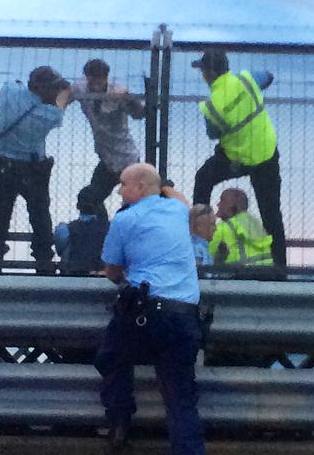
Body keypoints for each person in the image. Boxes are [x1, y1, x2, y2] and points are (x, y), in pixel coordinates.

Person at [94, 163, 205, 454]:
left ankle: (119, 422)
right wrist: (163, 187)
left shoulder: (125, 219)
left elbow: (112, 271)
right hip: (184, 317)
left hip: (144, 313)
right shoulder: (182, 212)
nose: (119, 189)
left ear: (140, 187)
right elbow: (177, 197)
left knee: (111, 355)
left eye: (124, 184)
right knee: (180, 398)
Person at [191, 48, 286, 272]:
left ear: (209, 73)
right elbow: (268, 76)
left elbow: (213, 134)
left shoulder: (212, 105)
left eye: (203, 71)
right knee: (271, 212)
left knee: (203, 178)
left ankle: (199, 242)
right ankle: (280, 269)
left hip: (238, 158)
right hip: (266, 153)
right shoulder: (245, 79)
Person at [0, 66, 71, 272]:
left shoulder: (10, 93)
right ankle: (43, 261)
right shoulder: (48, 115)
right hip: (33, 170)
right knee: (39, 215)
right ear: (42, 89)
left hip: (1, 165)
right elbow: (62, 103)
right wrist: (66, 91)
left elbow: (9, 85)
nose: (55, 92)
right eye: (53, 88)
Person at [71, 59, 145, 220]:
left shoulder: (116, 92)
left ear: (106, 78)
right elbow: (65, 93)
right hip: (106, 159)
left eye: (100, 79)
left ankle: (126, 232)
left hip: (127, 158)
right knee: (90, 198)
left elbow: (139, 114)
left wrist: (128, 98)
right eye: (92, 79)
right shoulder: (80, 88)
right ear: (87, 77)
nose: (96, 84)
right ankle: (100, 232)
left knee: (131, 205)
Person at [208, 188, 273, 266]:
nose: (218, 204)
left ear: (231, 205)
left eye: (222, 201)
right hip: (268, 271)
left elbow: (207, 258)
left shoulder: (222, 228)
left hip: (240, 274)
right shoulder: (255, 223)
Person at [54, 187, 109, 275]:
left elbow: (60, 251)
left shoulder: (64, 229)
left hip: (71, 276)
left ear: (77, 206)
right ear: (99, 206)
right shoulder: (110, 230)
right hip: (100, 276)